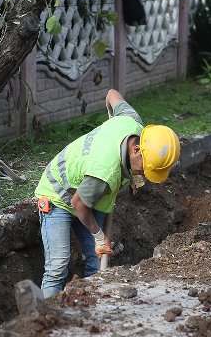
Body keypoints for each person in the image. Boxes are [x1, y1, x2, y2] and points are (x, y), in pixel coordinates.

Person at [34, 89, 181, 298]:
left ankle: (91, 309)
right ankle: (43, 319)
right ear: (137, 150)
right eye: (146, 167)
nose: (144, 174)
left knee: (96, 261)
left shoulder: (132, 122)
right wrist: (98, 235)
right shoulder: (105, 171)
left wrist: (111, 126)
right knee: (58, 266)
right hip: (58, 195)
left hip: (89, 193)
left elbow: (112, 94)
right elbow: (78, 204)